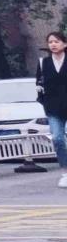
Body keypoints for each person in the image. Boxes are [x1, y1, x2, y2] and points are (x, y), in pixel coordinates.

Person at [37, 30, 67, 188]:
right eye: (50, 42)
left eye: (56, 41)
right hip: (53, 108)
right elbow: (39, 85)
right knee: (57, 138)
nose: (53, 44)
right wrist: (44, 102)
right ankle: (65, 172)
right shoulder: (43, 63)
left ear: (64, 44)